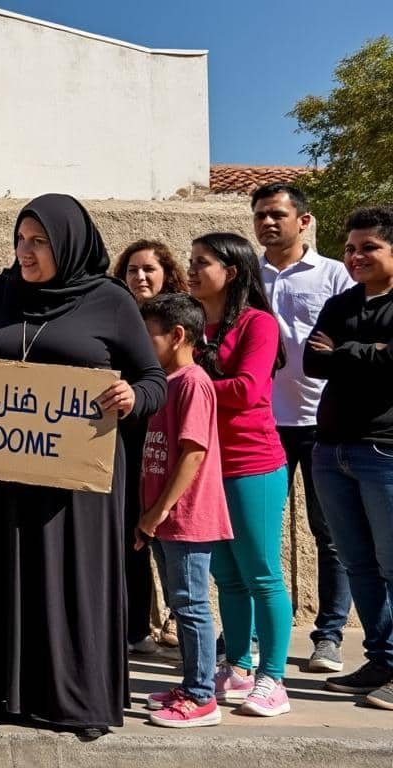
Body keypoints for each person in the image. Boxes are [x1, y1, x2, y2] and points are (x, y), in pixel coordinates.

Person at [0, 193, 167, 739]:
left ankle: (79, 702)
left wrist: (132, 397)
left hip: (77, 479)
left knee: (73, 583)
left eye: (39, 241)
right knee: (9, 576)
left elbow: (153, 381)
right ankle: (11, 694)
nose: (26, 251)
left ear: (67, 242)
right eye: (20, 239)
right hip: (4, 471)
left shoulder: (110, 299)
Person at [186, 232, 293, 717]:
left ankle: (274, 678)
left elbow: (248, 390)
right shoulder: (193, 325)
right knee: (227, 577)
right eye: (190, 261)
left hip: (253, 464)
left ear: (231, 272)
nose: (190, 270)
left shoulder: (258, 324)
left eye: (201, 262)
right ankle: (239, 664)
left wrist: (189, 384)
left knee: (262, 574)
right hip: (207, 466)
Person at [252, 183, 356, 674]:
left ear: (304, 220)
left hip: (321, 423)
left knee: (329, 533)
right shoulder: (247, 276)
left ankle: (329, 636)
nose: (268, 223)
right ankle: (251, 633)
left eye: (276, 214)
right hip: (261, 425)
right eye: (260, 216)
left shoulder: (334, 274)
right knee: (257, 533)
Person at [307, 205, 393, 711]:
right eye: (351, 248)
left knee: (391, 562)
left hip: (383, 451)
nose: (356, 256)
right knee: (359, 563)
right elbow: (311, 359)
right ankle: (381, 660)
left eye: (369, 248)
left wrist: (344, 352)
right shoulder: (341, 303)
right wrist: (370, 351)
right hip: (331, 451)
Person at [136, 293, 232, 728]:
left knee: (191, 605)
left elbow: (193, 454)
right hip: (161, 519)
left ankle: (200, 696)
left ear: (177, 336)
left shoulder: (192, 382)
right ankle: (190, 685)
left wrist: (157, 512)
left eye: (147, 334)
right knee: (181, 600)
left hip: (186, 518)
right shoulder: (166, 382)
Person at [113, 239, 189, 652]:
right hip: (127, 437)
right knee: (133, 532)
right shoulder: (114, 313)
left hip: (169, 436)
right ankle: (136, 625)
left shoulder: (181, 318)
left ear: (166, 276)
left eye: (148, 270)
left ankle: (180, 616)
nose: (139, 277)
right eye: (131, 270)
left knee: (172, 531)